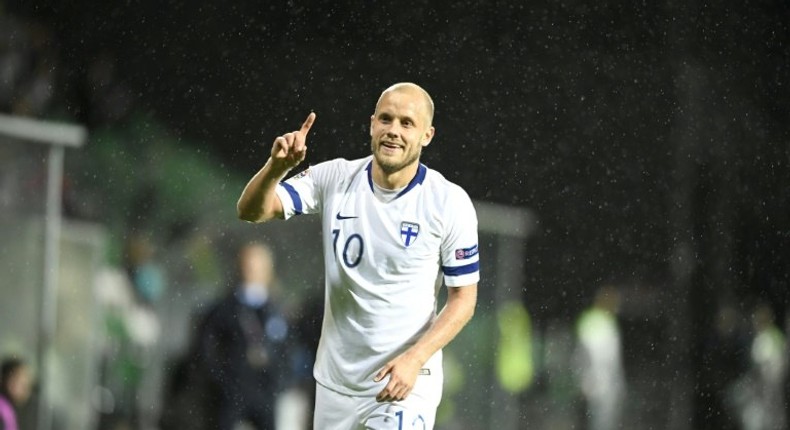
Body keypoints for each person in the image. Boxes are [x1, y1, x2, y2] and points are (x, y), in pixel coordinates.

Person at [237, 82, 480, 429]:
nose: (393, 130)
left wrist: (415, 359)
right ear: (372, 124)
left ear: (427, 135)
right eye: (386, 119)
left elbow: (464, 299)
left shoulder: (448, 202)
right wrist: (276, 169)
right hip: (337, 384)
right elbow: (250, 211)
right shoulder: (335, 177)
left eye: (406, 123)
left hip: (405, 382)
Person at [198, 242, 289, 430]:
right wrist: (222, 380)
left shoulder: (276, 310)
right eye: (248, 266)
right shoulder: (225, 309)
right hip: (232, 389)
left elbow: (287, 349)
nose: (253, 272)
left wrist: (278, 381)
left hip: (265, 389)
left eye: (258, 266)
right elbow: (207, 347)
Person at [574, 285, 626, 430]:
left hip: (603, 385)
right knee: (599, 423)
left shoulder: (607, 322)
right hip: (598, 384)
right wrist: (586, 380)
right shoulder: (596, 322)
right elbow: (587, 356)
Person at [0, 357, 33, 430]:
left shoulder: (8, 410)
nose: (24, 388)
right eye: (17, 380)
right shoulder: (3, 410)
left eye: (26, 383)